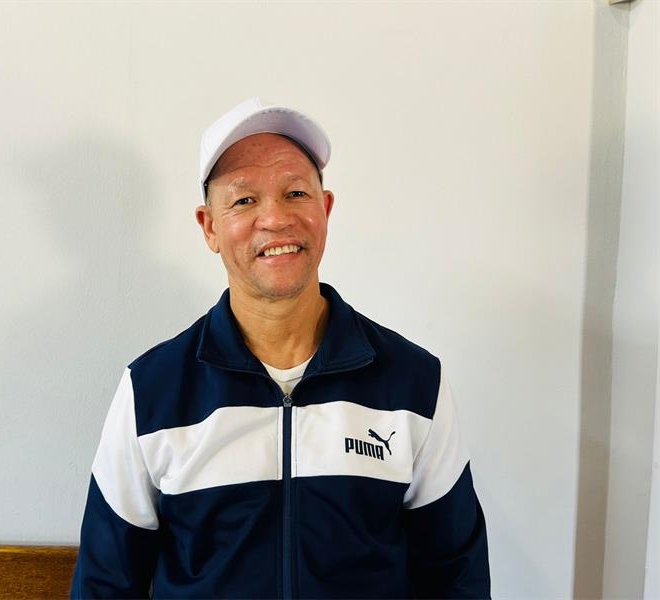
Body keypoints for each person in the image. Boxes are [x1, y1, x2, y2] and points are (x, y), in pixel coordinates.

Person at [70, 98, 491, 599]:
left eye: (295, 192)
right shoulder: (152, 392)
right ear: (209, 226)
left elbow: (456, 577)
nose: (275, 219)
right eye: (244, 201)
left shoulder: (414, 383)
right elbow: (105, 586)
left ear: (325, 209)